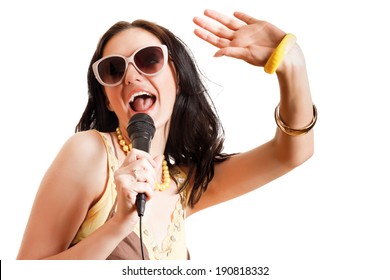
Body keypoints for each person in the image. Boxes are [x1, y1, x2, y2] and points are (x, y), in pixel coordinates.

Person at [17, 9, 315, 260]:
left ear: (178, 78)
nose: (132, 76)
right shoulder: (89, 153)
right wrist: (120, 224)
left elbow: (289, 154)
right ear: (107, 97)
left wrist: (291, 66)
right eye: (113, 69)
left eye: (148, 60)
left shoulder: (181, 186)